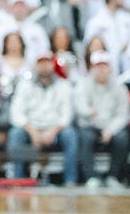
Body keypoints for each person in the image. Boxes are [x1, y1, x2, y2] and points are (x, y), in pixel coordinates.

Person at [6, 54, 77, 184]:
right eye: (40, 63)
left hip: (55, 129)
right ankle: (18, 179)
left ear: (52, 65)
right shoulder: (25, 85)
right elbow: (16, 113)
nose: (44, 67)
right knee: (16, 133)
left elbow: (67, 115)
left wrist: (52, 132)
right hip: (31, 128)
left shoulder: (64, 86)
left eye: (47, 63)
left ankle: (70, 180)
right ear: (36, 66)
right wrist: (33, 132)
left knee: (70, 134)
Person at [71, 52, 130, 188]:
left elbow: (123, 114)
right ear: (92, 68)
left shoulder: (119, 88)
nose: (101, 70)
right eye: (98, 66)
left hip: (112, 126)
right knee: (85, 137)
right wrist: (90, 113)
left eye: (104, 66)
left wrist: (109, 130)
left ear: (110, 68)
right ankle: (91, 176)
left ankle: (113, 176)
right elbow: (81, 108)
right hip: (90, 125)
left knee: (122, 138)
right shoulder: (83, 85)